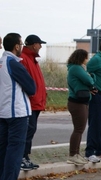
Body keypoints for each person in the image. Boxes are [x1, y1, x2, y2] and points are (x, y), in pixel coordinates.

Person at [0, 33, 36, 180]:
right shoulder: (13, 63)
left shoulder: (1, 62)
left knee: (4, 148)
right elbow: (31, 87)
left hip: (3, 111)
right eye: (21, 44)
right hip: (17, 112)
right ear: (16, 46)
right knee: (15, 148)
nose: (21, 47)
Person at [20, 34, 47, 171]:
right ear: (33, 44)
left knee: (31, 129)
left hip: (35, 102)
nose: (41, 46)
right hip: (30, 102)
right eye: (39, 44)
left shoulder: (32, 59)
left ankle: (26, 156)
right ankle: (22, 157)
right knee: (27, 130)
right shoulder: (24, 59)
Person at [66, 49, 96, 166]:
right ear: (81, 58)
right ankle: (73, 154)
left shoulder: (73, 68)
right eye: (86, 58)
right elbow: (89, 80)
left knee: (80, 129)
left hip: (79, 101)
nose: (87, 60)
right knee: (79, 129)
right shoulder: (76, 68)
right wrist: (92, 76)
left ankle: (76, 154)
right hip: (77, 102)